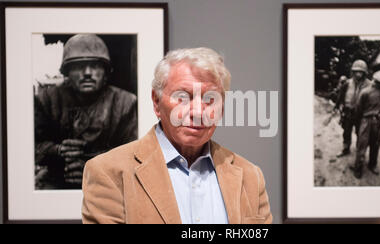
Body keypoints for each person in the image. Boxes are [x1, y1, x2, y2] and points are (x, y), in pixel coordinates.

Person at [81, 47, 273, 224]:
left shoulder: (250, 176)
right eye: (183, 97)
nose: (198, 112)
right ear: (156, 102)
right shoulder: (109, 172)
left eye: (210, 99)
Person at [34, 34, 137, 189]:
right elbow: (32, 147)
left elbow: (134, 153)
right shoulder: (47, 100)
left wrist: (92, 166)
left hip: (110, 182)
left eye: (95, 65)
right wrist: (59, 151)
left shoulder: (125, 103)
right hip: (58, 178)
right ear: (67, 71)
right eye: (78, 66)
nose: (87, 72)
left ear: (106, 72)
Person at [350, 69, 380, 179]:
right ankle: (358, 168)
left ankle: (372, 165)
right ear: (377, 81)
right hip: (366, 121)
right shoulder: (365, 92)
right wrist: (358, 126)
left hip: (378, 121)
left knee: (375, 144)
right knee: (362, 145)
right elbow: (358, 110)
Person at [334, 60, 372, 157]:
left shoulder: (369, 85)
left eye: (361, 72)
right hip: (348, 112)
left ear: (364, 73)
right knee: (346, 131)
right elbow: (341, 95)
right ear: (353, 72)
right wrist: (337, 106)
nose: (358, 74)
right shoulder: (347, 83)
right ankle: (346, 148)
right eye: (356, 71)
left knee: (361, 134)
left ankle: (360, 153)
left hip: (361, 114)